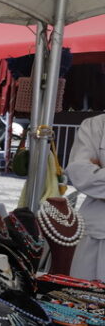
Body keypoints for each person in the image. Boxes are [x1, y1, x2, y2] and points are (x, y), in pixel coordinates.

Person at [64, 113, 105, 280]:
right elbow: (81, 174)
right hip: (98, 236)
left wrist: (99, 172)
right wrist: (92, 175)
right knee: (87, 301)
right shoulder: (96, 126)